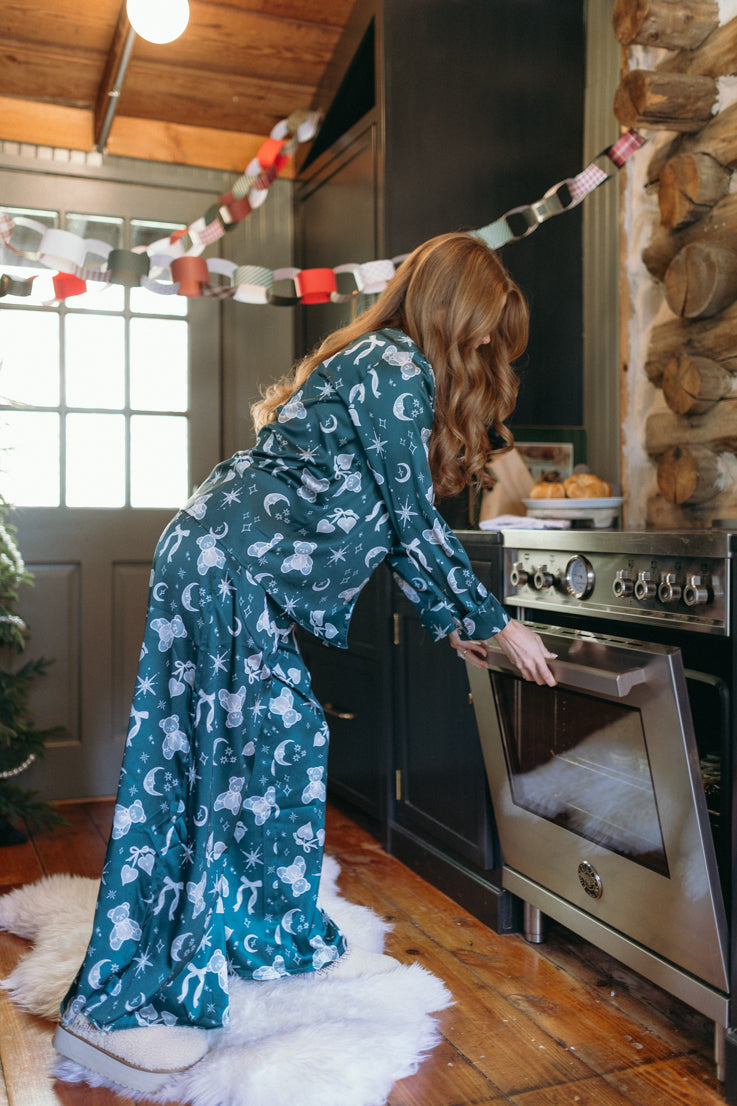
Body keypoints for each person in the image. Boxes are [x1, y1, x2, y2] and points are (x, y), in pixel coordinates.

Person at [53, 230, 557, 1092]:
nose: (478, 356)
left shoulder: (379, 366)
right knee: (206, 775)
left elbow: (379, 520)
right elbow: (408, 518)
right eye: (476, 338)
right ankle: (122, 1005)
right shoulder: (392, 367)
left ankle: (269, 936)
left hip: (231, 566)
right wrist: (491, 621)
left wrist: (449, 622)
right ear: (447, 313)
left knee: (286, 745)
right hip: (227, 570)